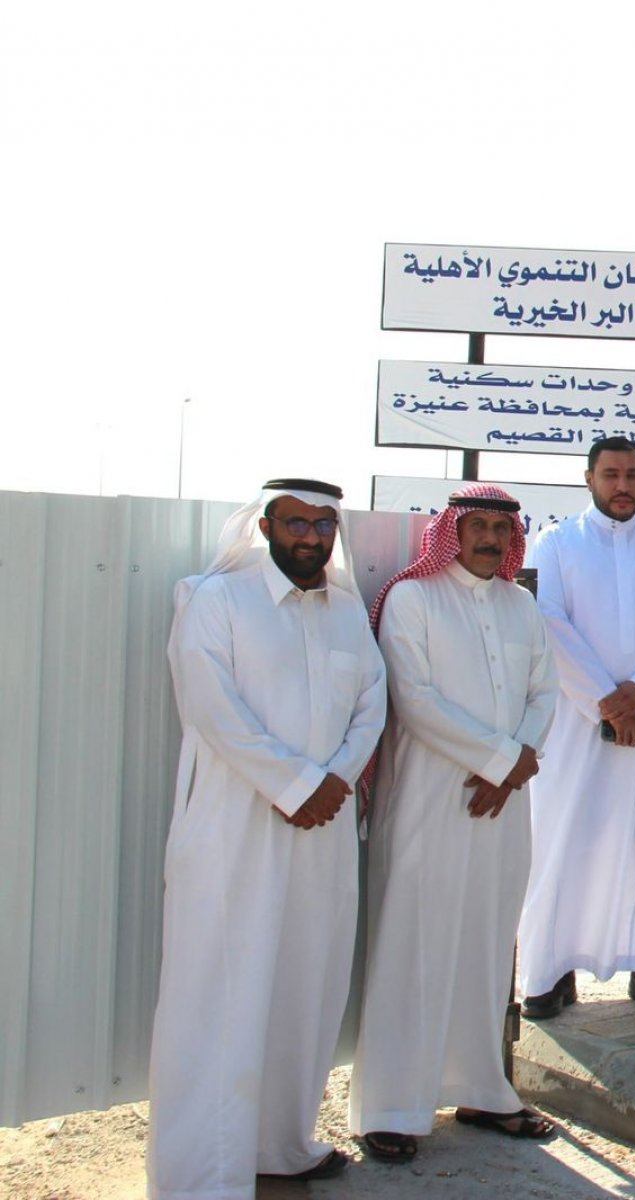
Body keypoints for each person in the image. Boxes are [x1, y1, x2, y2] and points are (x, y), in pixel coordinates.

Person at [148, 479, 386, 1197]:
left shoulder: (346, 611)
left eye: (323, 525)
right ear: (265, 526)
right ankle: (201, 1175)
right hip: (237, 828)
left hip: (322, 829)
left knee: (305, 984)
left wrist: (333, 781)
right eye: (295, 523)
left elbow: (371, 705)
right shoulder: (214, 599)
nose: (310, 537)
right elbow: (210, 707)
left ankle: (282, 1145)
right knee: (219, 989)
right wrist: (295, 784)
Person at [349, 485, 560, 1162]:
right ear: (453, 531)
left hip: (504, 803)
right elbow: (414, 699)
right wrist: (501, 760)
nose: (491, 538)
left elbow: (545, 691)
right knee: (413, 942)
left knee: (486, 943)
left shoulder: (520, 604)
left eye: (503, 528)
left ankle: (483, 1091)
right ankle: (390, 1106)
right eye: (479, 526)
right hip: (429, 802)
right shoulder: (412, 599)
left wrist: (515, 763)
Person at [519, 437, 635, 1018]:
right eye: (611, 475)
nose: (622, 486)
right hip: (578, 723)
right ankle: (551, 971)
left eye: (633, 475)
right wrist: (606, 701)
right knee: (567, 837)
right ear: (589, 479)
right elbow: (548, 621)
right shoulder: (556, 543)